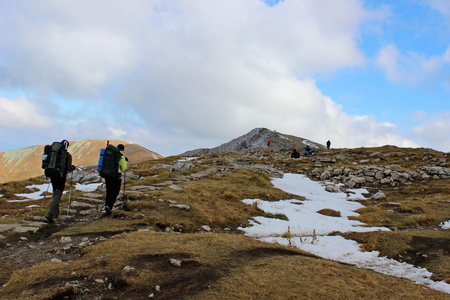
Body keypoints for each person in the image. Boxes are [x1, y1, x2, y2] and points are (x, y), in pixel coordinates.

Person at [45, 140, 75, 223]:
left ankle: (55, 214)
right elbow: (68, 168)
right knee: (58, 194)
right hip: (61, 176)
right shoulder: (67, 155)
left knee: (55, 193)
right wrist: (73, 168)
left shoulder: (53, 152)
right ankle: (50, 214)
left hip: (52, 174)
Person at [104, 144, 128, 215]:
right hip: (116, 176)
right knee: (115, 192)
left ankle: (106, 205)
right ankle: (109, 206)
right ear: (122, 150)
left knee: (109, 191)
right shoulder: (121, 156)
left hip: (107, 175)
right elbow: (123, 168)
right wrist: (125, 161)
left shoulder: (109, 153)